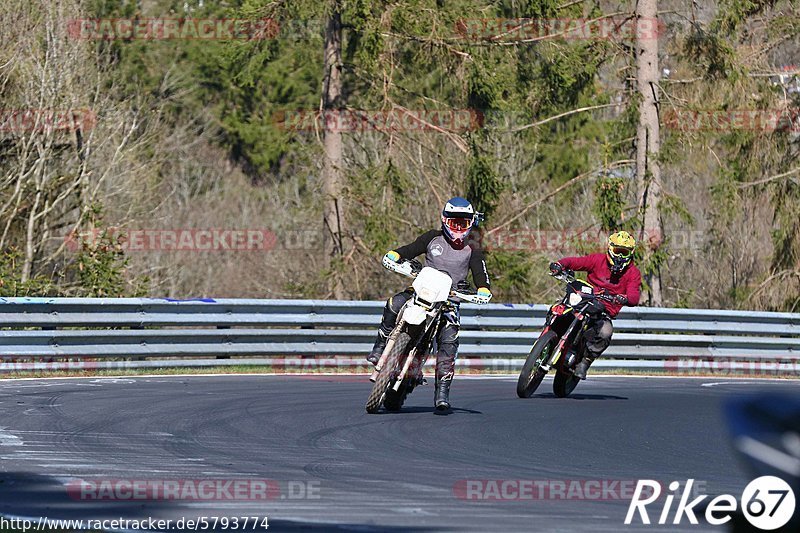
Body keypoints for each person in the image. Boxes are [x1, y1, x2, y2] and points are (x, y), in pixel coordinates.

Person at [367, 197, 492, 411]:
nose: (459, 228)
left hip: (449, 302)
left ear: (471, 223)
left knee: (449, 340)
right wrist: (395, 254)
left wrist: (483, 289)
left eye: (463, 223)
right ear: (445, 220)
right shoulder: (432, 238)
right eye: (454, 222)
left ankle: (442, 393)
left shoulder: (473, 248)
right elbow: (410, 249)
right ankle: (379, 348)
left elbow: (481, 273)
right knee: (394, 303)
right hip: (420, 292)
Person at [549, 230, 641, 380]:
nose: (619, 256)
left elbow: (634, 295)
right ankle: (548, 335)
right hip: (584, 299)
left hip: (604, 311)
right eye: (618, 251)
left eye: (624, 252)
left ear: (630, 253)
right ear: (610, 248)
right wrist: (560, 264)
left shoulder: (633, 273)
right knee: (560, 307)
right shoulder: (598, 260)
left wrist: (624, 298)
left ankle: (585, 362)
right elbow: (576, 262)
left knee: (606, 332)